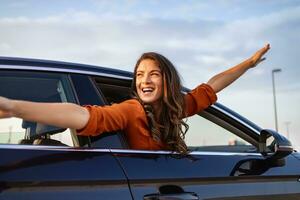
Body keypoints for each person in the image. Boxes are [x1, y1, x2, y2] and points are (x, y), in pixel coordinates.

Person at [0, 44, 270, 154]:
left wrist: (248, 63)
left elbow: (211, 87)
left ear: (168, 81)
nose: (144, 81)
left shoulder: (176, 108)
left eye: (153, 74)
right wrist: (14, 107)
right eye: (140, 75)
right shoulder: (132, 110)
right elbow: (83, 115)